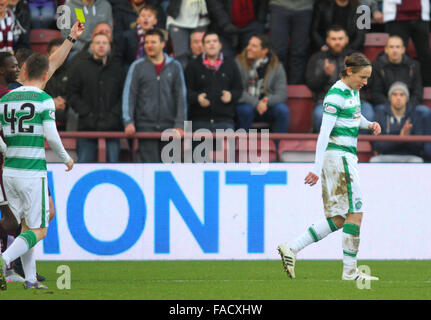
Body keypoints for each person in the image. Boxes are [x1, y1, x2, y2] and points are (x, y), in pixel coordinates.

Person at [277, 52, 381, 281]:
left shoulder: (352, 91)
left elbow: (354, 116)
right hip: (339, 157)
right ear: (350, 72)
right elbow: (323, 133)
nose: (365, 82)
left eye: (368, 77)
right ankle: (350, 272)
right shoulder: (334, 96)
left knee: (341, 217)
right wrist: (316, 167)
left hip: (346, 156)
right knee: (356, 213)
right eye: (363, 76)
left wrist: (368, 124)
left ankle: (292, 248)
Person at [0, 53, 74, 290]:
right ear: (44, 75)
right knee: (39, 229)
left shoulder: (5, 99)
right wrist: (66, 158)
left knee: (25, 226)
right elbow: (51, 136)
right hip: (32, 172)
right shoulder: (44, 99)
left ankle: (30, 279)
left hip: (9, 171)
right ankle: (3, 260)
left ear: (24, 71)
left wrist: (5, 150)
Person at [122, 28, 186, 163]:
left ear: (163, 44)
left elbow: (181, 97)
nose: (149, 45)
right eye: (147, 42)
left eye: (153, 42)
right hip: (145, 126)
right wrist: (128, 121)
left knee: (169, 170)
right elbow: (129, 95)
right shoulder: (137, 66)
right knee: (149, 168)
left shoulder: (175, 66)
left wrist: (180, 124)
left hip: (170, 127)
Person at [68, 32, 124, 163]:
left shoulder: (118, 68)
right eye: (97, 43)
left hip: (112, 128)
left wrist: (114, 115)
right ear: (91, 46)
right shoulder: (81, 67)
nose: (101, 46)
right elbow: (72, 94)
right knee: (83, 165)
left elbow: (124, 96)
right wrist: (86, 113)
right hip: (86, 127)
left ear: (109, 47)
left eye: (104, 43)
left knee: (113, 168)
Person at [306, 25, 374, 132]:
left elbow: (369, 84)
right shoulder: (317, 58)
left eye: (340, 39)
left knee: (368, 112)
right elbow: (311, 85)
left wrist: (353, 75)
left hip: (355, 101)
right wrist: (325, 74)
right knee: (319, 115)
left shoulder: (357, 58)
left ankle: (359, 147)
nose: (337, 42)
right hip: (327, 101)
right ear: (327, 40)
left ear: (346, 40)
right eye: (334, 39)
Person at [185, 30, 242, 133]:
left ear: (220, 45)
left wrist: (231, 95)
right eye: (208, 42)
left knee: (226, 150)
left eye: (214, 41)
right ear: (203, 46)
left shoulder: (231, 64)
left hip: (224, 121)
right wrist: (197, 98)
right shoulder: (193, 65)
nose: (211, 44)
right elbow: (186, 91)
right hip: (199, 121)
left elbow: (239, 89)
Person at [235, 34, 290, 135]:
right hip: (247, 104)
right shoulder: (239, 63)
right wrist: (256, 103)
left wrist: (266, 101)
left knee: (282, 110)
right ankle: (241, 147)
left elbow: (282, 94)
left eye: (254, 46)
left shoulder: (276, 66)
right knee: (245, 110)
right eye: (249, 44)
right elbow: (238, 91)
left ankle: (279, 147)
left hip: (267, 106)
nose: (248, 48)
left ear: (264, 51)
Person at [369, 35, 431, 120]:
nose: (395, 50)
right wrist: (393, 106)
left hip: (409, 106)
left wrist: (406, 106)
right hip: (386, 106)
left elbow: (418, 92)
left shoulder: (414, 66)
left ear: (403, 50)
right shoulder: (377, 66)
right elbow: (376, 93)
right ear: (386, 50)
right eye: (391, 47)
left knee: (425, 111)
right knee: (378, 111)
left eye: (398, 47)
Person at [370, 81, 427, 163]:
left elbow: (419, 146)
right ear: (390, 97)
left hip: (409, 157)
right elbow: (377, 145)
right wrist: (400, 138)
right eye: (395, 94)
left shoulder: (416, 115)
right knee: (374, 161)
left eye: (402, 94)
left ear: (407, 98)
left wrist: (405, 139)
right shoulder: (380, 115)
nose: (398, 98)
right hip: (385, 156)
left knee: (418, 161)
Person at [383, 0, 431, 86]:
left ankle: (427, 87)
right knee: (397, 55)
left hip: (421, 15)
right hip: (396, 16)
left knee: (425, 55)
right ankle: (398, 87)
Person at [268, 0, 314, 84]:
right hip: (279, 5)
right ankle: (276, 85)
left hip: (304, 7)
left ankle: (296, 89)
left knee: (299, 52)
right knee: (277, 52)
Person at [116, 4, 158, 70]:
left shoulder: (160, 38)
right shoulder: (127, 36)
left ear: (155, 21)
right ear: (138, 20)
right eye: (143, 15)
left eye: (149, 16)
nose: (146, 18)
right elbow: (119, 58)